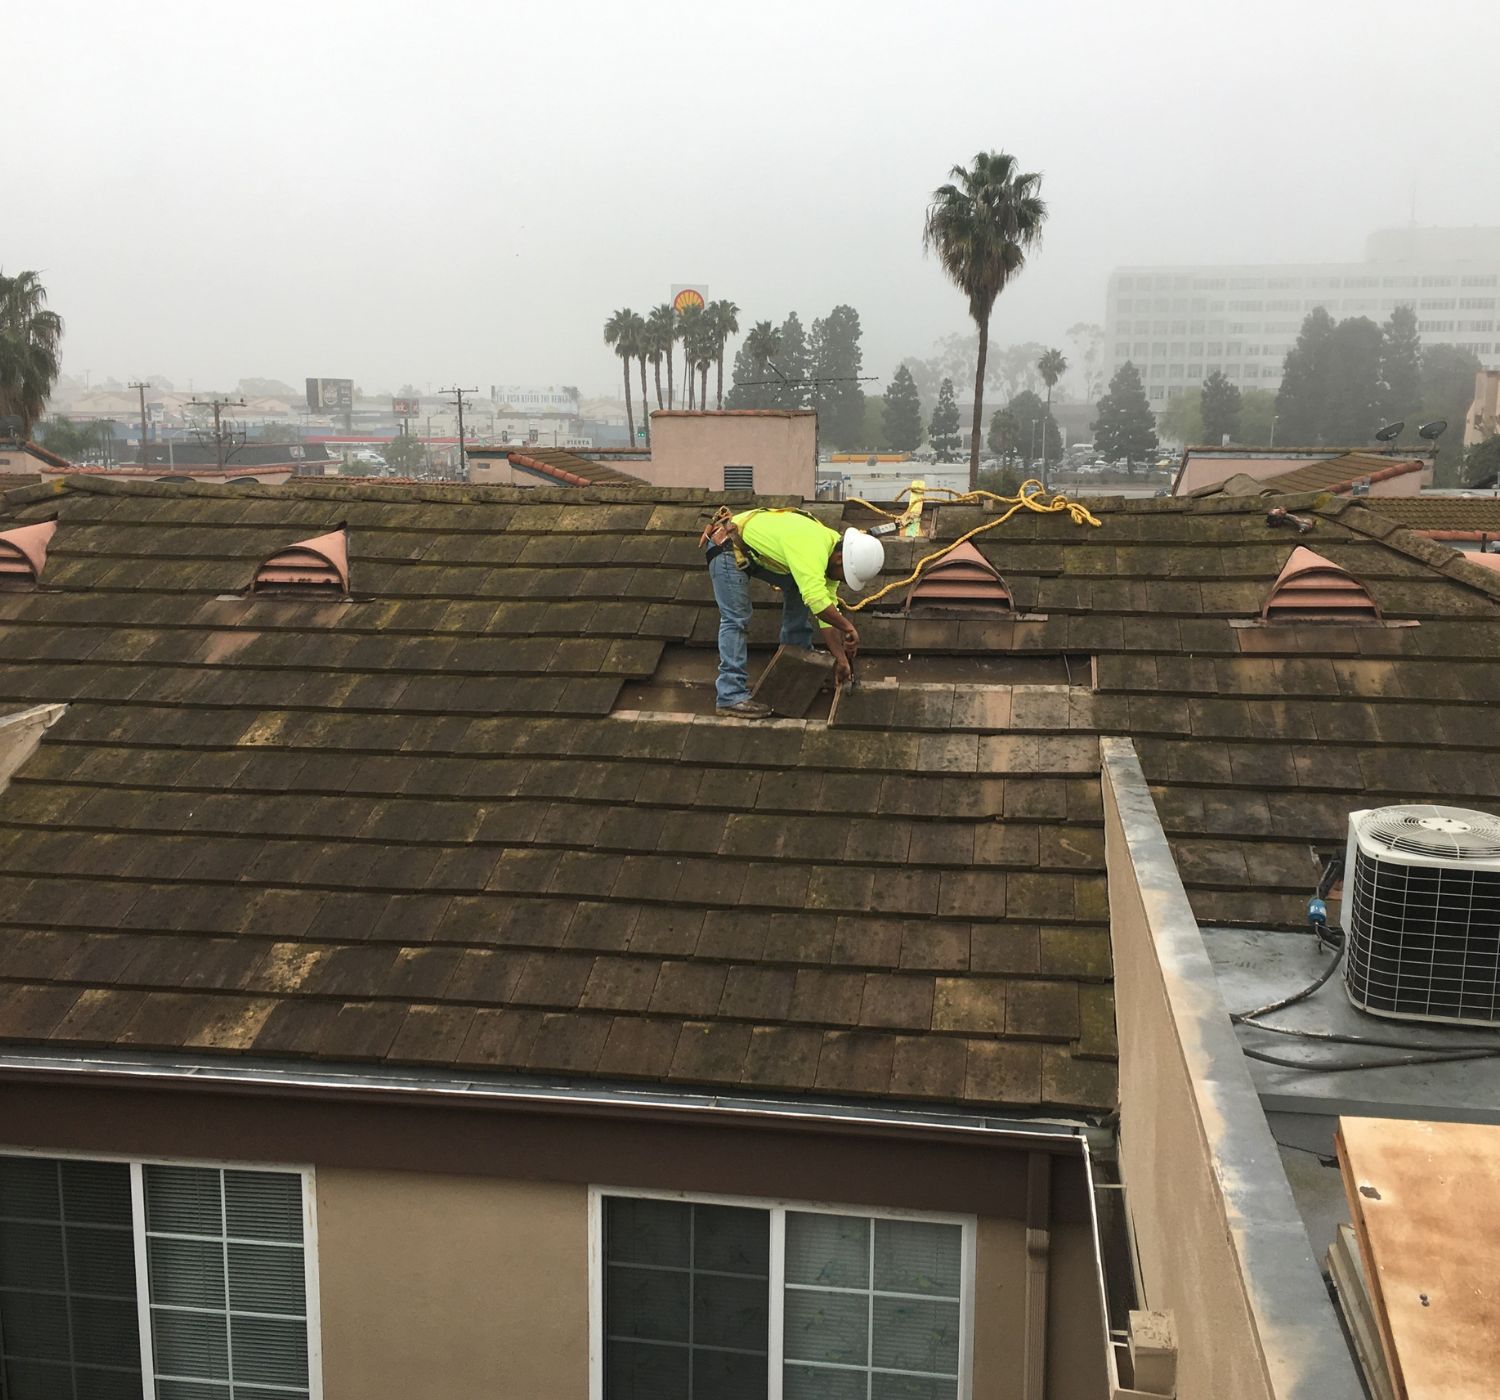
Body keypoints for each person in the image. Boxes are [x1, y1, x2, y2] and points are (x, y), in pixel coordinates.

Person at [702, 507, 885, 718]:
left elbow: (826, 612)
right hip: (727, 546)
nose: (841, 581)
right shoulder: (812, 548)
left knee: (802, 587)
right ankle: (730, 696)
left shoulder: (832, 550)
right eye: (844, 577)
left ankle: (796, 655)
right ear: (839, 560)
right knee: (736, 619)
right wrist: (849, 627)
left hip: (752, 552)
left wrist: (841, 658)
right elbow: (817, 602)